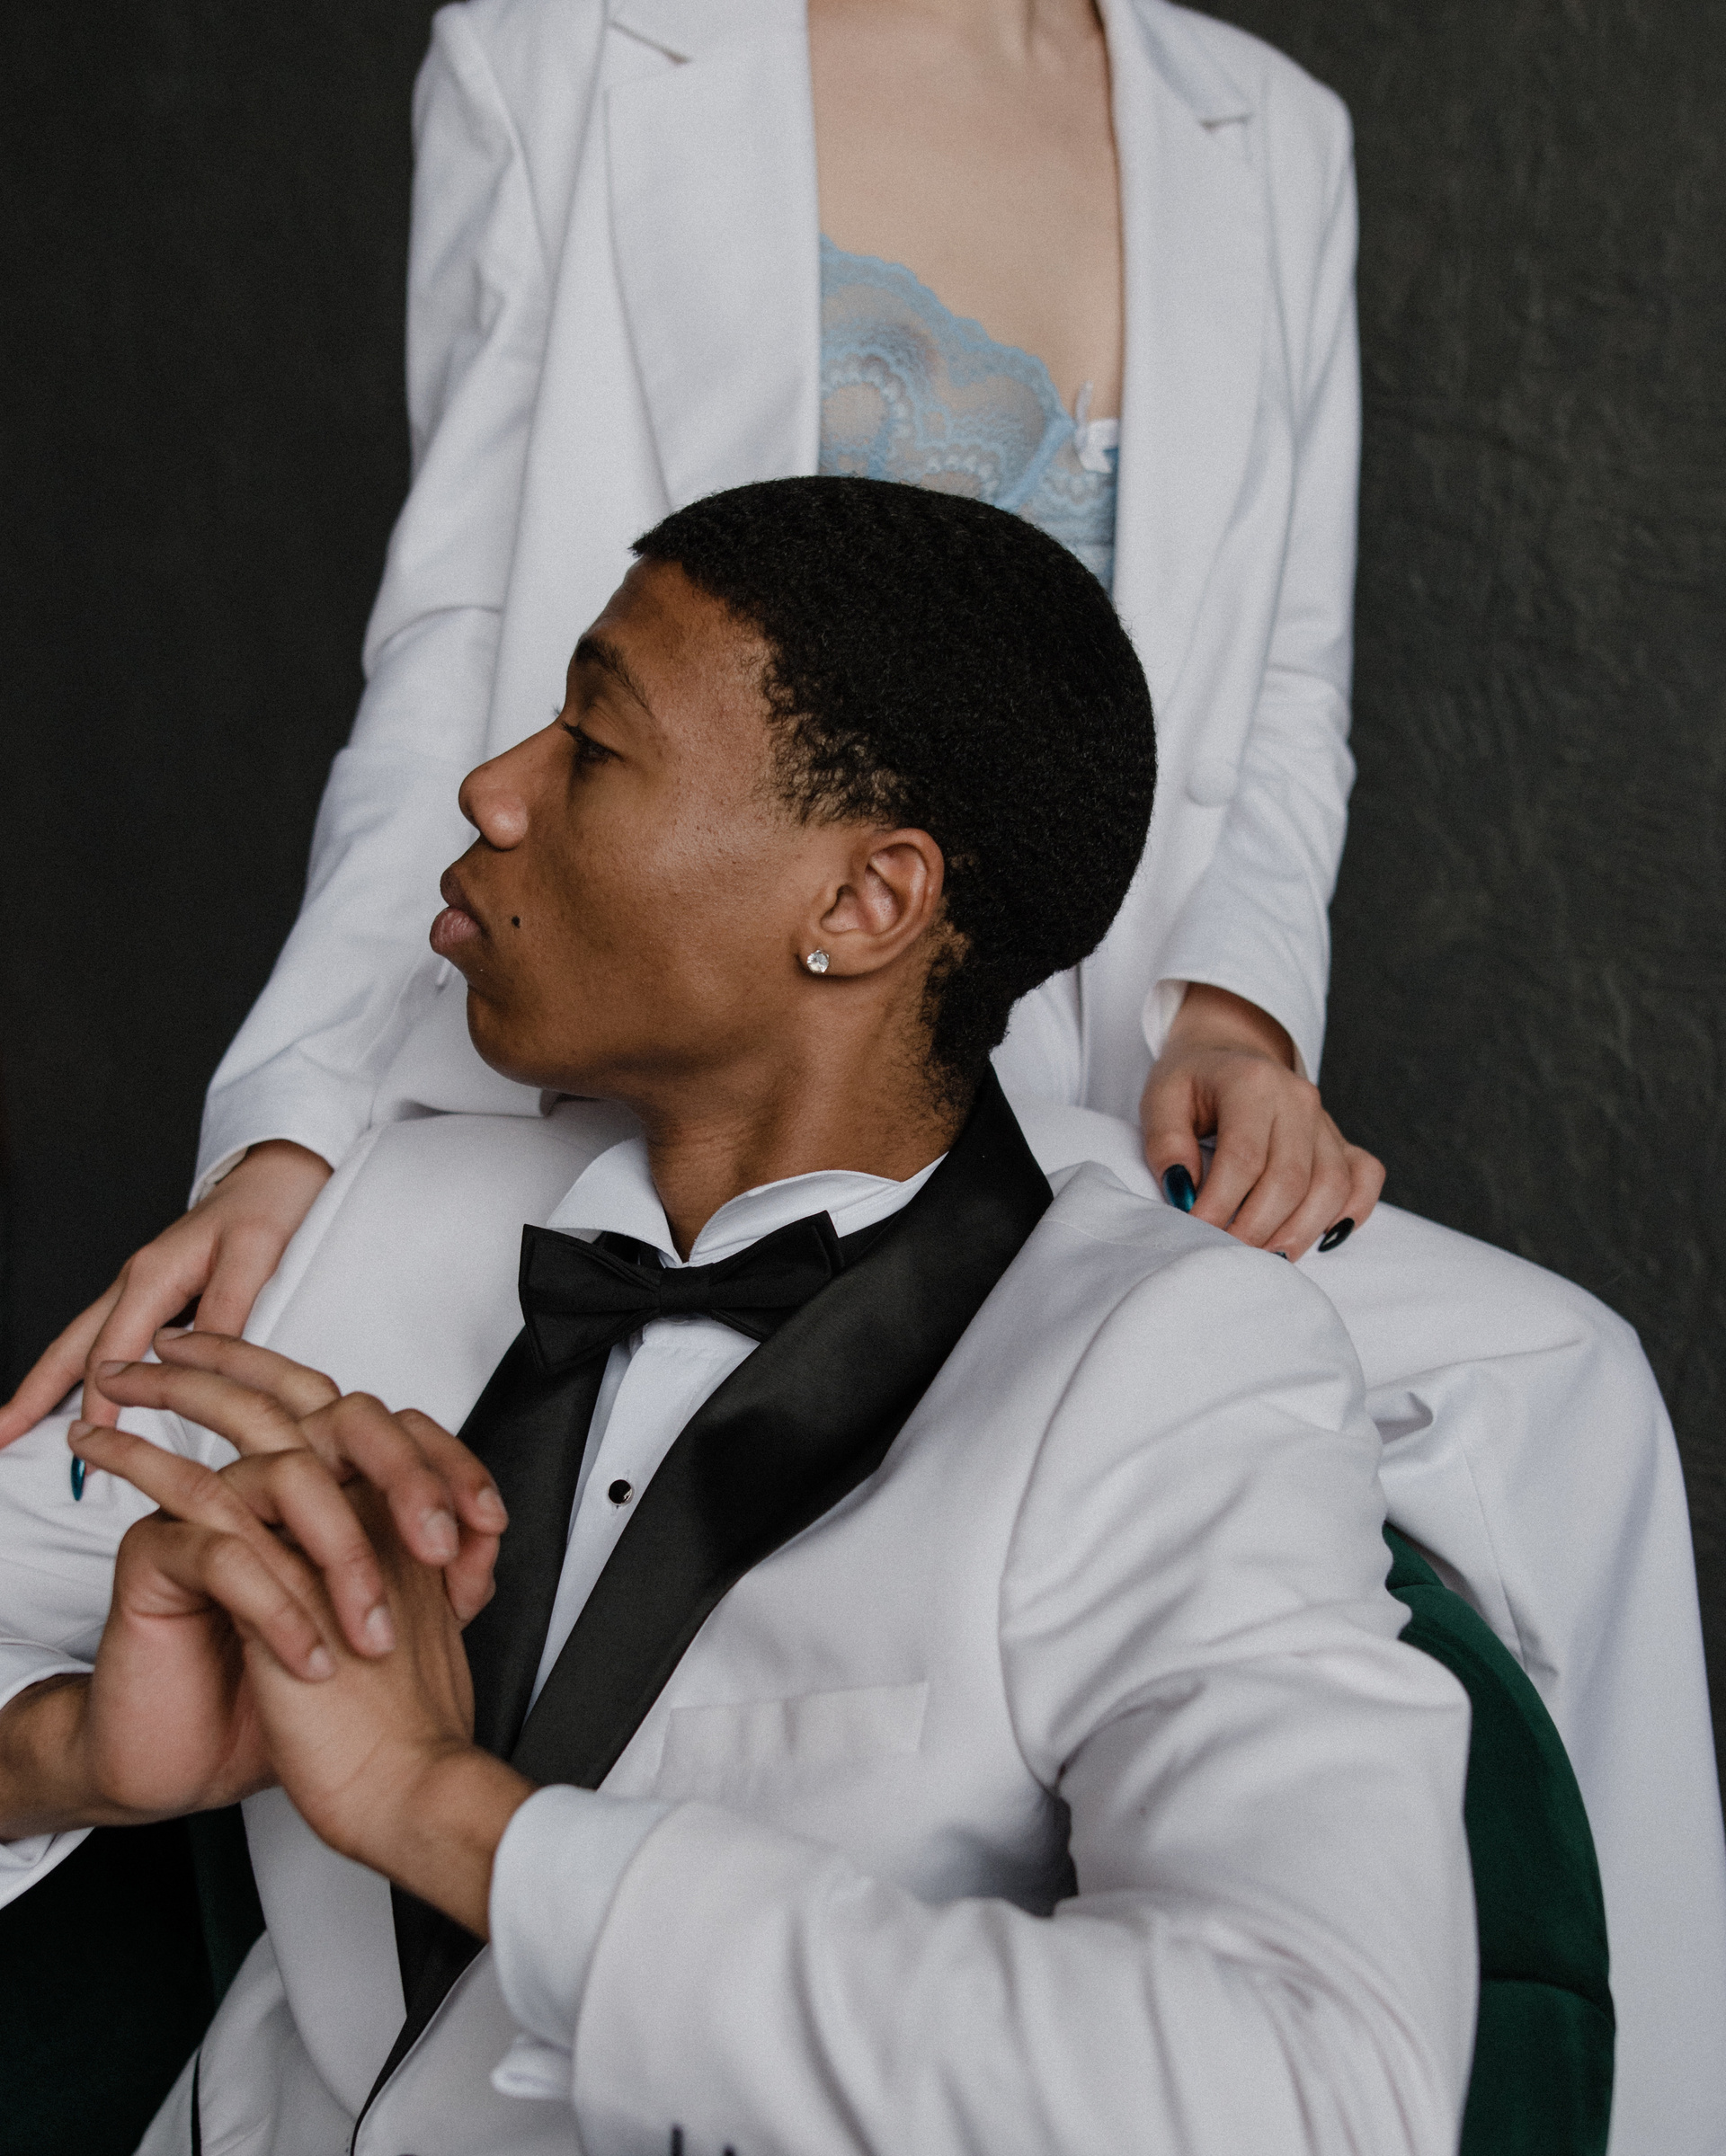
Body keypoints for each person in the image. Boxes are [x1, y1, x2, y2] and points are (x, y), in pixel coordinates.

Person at [1, 4, 1719, 2144]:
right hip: (622, 1015)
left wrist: (1240, 1015)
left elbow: (1287, 690)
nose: (496, 785)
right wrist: (288, 1143)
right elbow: (447, 651)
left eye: (577, 746)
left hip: (1056, 1060)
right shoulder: (575, 53)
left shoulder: (1264, 132)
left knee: (1566, 1388)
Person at [0, 480, 1478, 2155]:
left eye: (591, 743)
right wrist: (64, 1757)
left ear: (864, 904)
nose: (490, 790)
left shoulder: (1169, 1367)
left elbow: (1321, 2092)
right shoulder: (364, 1224)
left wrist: (449, 1817)